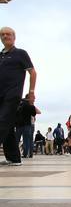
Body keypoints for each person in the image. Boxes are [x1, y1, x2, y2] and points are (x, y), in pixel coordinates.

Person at [0, 27, 37, 166]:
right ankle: (14, 158)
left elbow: (33, 72)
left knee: (2, 121)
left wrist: (31, 92)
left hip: (13, 94)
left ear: (14, 37)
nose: (5, 36)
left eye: (8, 34)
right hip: (0, 95)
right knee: (8, 126)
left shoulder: (20, 53)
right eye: (2, 34)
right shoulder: (1, 55)